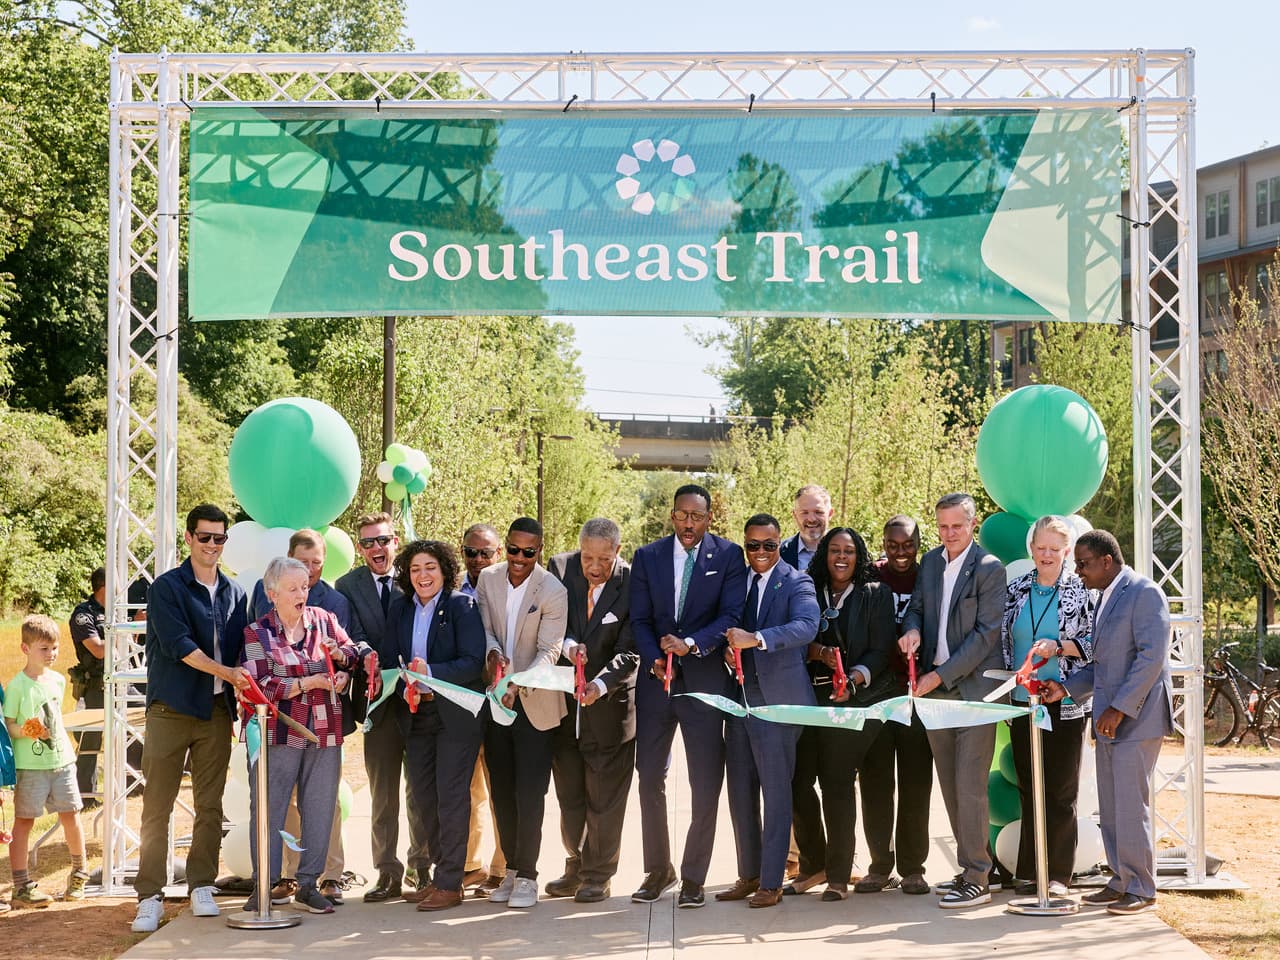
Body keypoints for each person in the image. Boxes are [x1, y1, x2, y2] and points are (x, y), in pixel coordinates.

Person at [131, 504, 250, 933]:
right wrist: (229, 674)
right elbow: (180, 647)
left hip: (216, 713)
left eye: (220, 539)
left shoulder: (237, 593)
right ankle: (149, 895)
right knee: (156, 807)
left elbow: (244, 651)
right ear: (188, 538)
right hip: (170, 711)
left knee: (210, 806)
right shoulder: (166, 588)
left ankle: (201, 883)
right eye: (206, 538)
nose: (213, 546)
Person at [1042, 529, 1172, 916]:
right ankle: (1120, 880)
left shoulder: (1145, 593)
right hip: (1109, 718)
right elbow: (1102, 665)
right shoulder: (1105, 598)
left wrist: (1118, 708)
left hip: (1137, 718)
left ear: (1106, 562)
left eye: (1082, 564)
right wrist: (1064, 689)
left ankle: (1142, 888)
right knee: (1112, 806)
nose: (1077, 571)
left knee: (1132, 806)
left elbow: (1151, 659)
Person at [629, 483, 746, 908]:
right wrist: (653, 657)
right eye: (682, 515)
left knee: (704, 781)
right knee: (649, 779)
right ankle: (658, 870)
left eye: (697, 516)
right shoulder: (647, 557)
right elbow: (638, 619)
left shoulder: (729, 556)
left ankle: (695, 877)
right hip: (656, 682)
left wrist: (692, 644)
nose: (689, 523)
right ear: (672, 516)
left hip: (704, 682)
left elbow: (731, 615)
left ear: (709, 518)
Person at [899, 492, 1005, 908]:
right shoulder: (929, 563)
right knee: (950, 786)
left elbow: (986, 636)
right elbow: (915, 610)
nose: (949, 534)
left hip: (973, 691)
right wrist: (911, 631)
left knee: (970, 785)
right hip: (935, 692)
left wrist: (939, 675)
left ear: (972, 524)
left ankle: (978, 875)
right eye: (943, 526)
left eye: (956, 526)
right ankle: (973, 869)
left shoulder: (989, 568)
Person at [240, 556, 361, 915]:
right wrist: (308, 682)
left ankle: (309, 884)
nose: (301, 594)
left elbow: (353, 653)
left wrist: (344, 668)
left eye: (305, 586)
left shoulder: (324, 620)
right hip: (278, 731)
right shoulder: (256, 633)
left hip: (325, 730)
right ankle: (264, 884)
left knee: (321, 808)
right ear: (271, 593)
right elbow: (261, 683)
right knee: (269, 809)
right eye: (293, 588)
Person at [718, 514, 819, 909]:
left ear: (780, 544)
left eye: (769, 545)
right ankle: (750, 873)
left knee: (776, 793)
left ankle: (772, 881)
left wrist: (756, 639)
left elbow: (807, 626)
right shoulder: (736, 581)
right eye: (753, 545)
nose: (760, 553)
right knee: (740, 789)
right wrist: (728, 648)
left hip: (779, 701)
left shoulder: (797, 581)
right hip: (739, 698)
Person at [789, 527, 894, 901]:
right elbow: (791, 635)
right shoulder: (805, 588)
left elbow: (881, 651)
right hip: (806, 697)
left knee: (836, 782)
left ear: (859, 555)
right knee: (798, 781)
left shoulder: (875, 595)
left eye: (849, 550)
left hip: (852, 702)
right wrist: (816, 652)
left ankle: (838, 873)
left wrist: (853, 679)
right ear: (824, 554)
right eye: (834, 550)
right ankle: (814, 863)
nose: (841, 557)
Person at [335, 513, 430, 903]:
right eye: (368, 543)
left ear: (395, 542)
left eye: (383, 540)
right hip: (376, 703)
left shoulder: (418, 576)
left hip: (421, 703)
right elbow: (351, 635)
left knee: (421, 792)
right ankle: (387, 872)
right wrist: (366, 654)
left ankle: (421, 867)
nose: (377, 548)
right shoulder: (347, 586)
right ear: (360, 549)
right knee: (383, 794)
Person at [389, 540, 487, 911]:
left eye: (430, 567)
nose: (423, 575)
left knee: (451, 799)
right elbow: (389, 658)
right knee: (424, 800)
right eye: (415, 569)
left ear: (444, 571)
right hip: (416, 715)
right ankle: (436, 877)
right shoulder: (401, 609)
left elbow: (472, 661)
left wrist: (430, 673)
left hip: (455, 717)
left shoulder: (462, 606)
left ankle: (451, 883)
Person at [546, 518, 639, 903]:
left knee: (605, 800)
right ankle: (576, 863)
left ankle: (599, 875)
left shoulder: (633, 583)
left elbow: (632, 648)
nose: (595, 566)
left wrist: (600, 685)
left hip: (610, 709)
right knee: (569, 797)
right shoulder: (559, 568)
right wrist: (568, 647)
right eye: (588, 557)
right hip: (564, 708)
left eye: (604, 558)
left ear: (618, 551)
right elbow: (551, 624)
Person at [477, 517, 568, 909]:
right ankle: (512, 869)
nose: (518, 558)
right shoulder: (487, 579)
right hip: (496, 700)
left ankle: (529, 876)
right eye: (513, 549)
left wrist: (518, 683)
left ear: (539, 551)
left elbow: (550, 649)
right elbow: (484, 629)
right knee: (502, 790)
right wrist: (494, 657)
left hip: (535, 703)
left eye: (527, 552)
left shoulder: (553, 590)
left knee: (531, 792)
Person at [1000, 515, 1093, 896]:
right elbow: (1005, 639)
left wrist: (1060, 651)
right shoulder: (1018, 588)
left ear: (1067, 551)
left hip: (1064, 702)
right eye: (1041, 548)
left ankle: (1058, 876)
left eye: (1055, 549)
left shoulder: (1081, 590)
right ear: (1031, 549)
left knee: (1060, 790)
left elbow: (1094, 643)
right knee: (1029, 787)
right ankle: (1030, 869)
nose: (1047, 555)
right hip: (1023, 701)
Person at [858, 516, 934, 895]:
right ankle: (878, 864)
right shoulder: (870, 576)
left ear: (919, 543)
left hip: (918, 694)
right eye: (893, 544)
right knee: (874, 781)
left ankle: (913, 867)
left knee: (916, 782)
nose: (900, 552)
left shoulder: (931, 574)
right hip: (876, 694)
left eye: (907, 545)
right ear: (883, 543)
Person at [4, 615, 89, 905]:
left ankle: (79, 874)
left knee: (71, 816)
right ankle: (21, 884)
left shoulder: (58, 680)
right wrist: (27, 730)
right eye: (44, 648)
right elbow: (9, 725)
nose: (51, 654)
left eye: (54, 648)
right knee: (24, 822)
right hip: (31, 766)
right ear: (26, 649)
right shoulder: (16, 686)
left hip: (63, 761)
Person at [458, 522, 507, 893]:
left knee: (501, 788)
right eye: (470, 552)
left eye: (485, 553)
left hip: (499, 700)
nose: (477, 559)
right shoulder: (452, 588)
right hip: (460, 703)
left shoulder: (507, 589)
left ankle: (502, 868)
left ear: (499, 553)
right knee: (467, 790)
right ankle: (468, 865)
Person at [69, 567, 107, 806]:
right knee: (90, 742)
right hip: (94, 685)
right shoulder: (84, 613)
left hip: (120, 684)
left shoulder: (117, 610)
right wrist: (124, 632)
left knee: (133, 732)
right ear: (104, 586)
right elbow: (97, 649)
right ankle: (85, 796)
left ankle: (134, 785)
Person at [779, 484, 834, 576]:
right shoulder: (778, 555)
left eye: (818, 512)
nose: (811, 519)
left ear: (830, 514)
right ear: (795, 515)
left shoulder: (849, 553)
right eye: (804, 512)